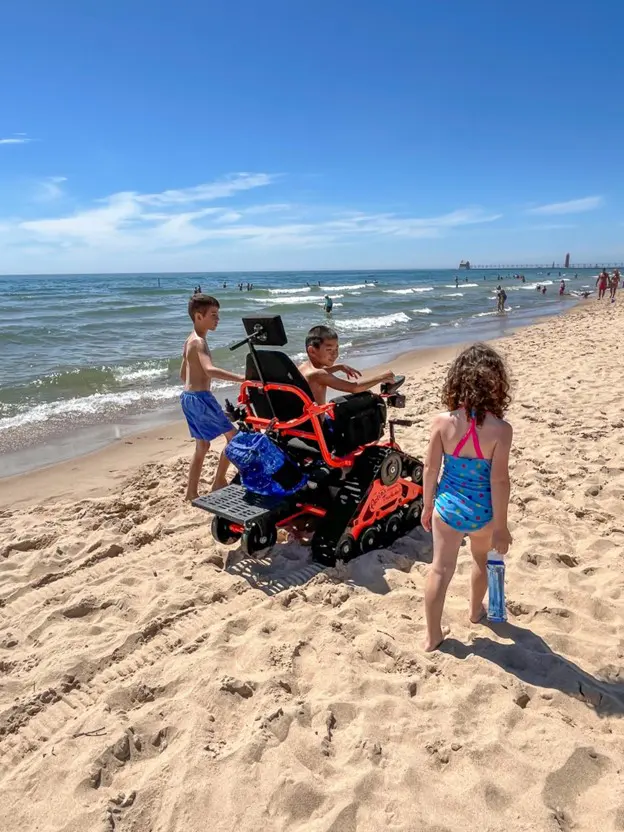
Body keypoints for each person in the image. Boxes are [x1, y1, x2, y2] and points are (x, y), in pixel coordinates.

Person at [421, 343, 513, 652]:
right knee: (481, 559)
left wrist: (427, 504)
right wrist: (501, 526)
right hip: (482, 511)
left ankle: (433, 636)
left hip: (447, 507)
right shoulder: (501, 430)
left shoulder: (441, 422)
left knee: (439, 569)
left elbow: (431, 468)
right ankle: (475, 611)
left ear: (457, 381)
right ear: (496, 384)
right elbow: (499, 480)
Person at [179, 294, 245, 500]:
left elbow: (183, 373)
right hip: (201, 398)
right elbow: (209, 370)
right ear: (199, 316)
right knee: (233, 437)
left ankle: (191, 492)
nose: (218, 319)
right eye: (213, 315)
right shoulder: (199, 342)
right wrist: (240, 378)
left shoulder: (189, 340)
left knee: (202, 446)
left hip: (188, 397)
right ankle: (218, 482)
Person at [298, 325, 394, 405]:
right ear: (312, 351)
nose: (335, 354)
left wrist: (339, 367)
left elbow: (317, 373)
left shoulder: (303, 367)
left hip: (305, 422)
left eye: (336, 349)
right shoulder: (320, 375)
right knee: (369, 401)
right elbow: (354, 388)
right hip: (318, 426)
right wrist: (382, 377)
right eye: (329, 350)